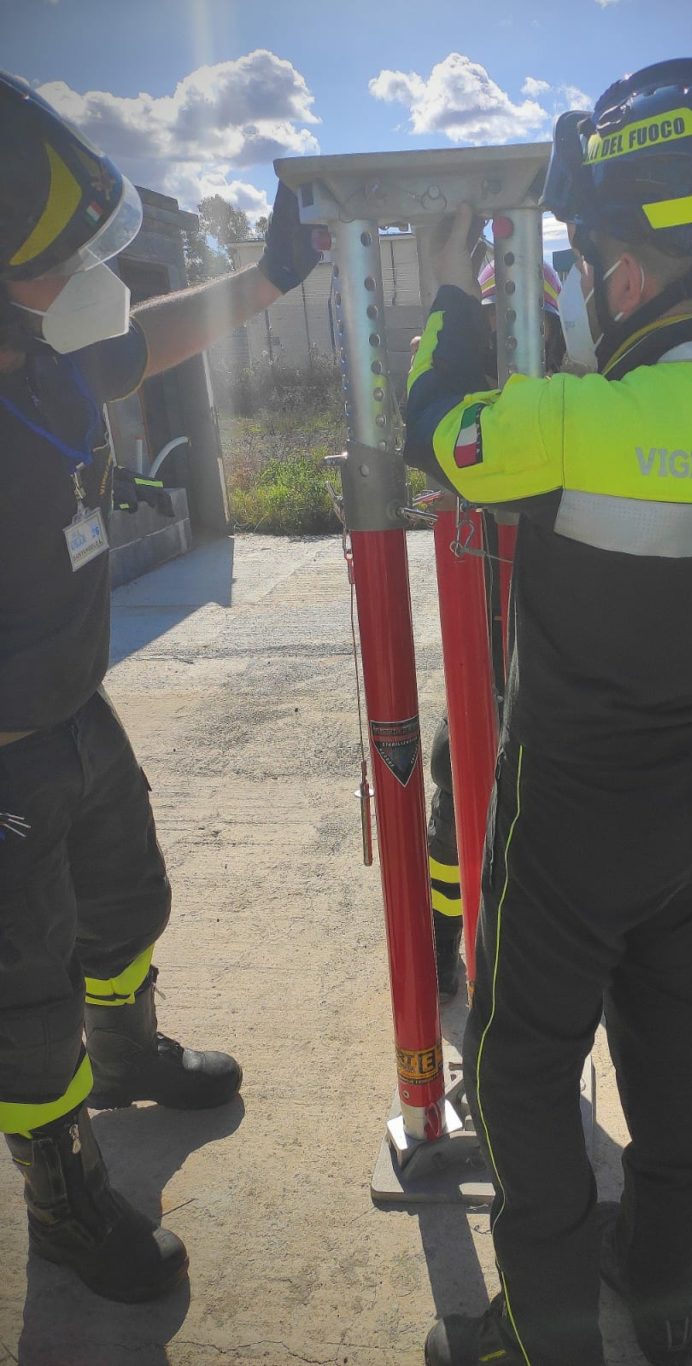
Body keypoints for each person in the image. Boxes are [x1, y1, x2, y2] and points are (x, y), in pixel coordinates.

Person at [405, 58, 692, 1366]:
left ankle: (547, 1339)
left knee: (522, 1068)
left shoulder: (571, 425)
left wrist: (446, 298)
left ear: (629, 275)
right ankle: (654, 1288)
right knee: (661, 1037)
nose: (589, 286)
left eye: (591, 262)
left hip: (571, 815)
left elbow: (435, 429)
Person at [0, 71, 322, 1302]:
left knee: (125, 899)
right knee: (21, 999)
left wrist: (274, 277)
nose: (80, 280)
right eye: (51, 261)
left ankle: (125, 1052)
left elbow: (155, 337)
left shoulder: (41, 370)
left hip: (77, 710)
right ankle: (65, 1198)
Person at [427, 260, 562, 1003]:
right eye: (493, 324)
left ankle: (525, 956)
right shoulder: (458, 423)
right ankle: (445, 937)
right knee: (457, 773)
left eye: (524, 327)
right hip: (480, 648)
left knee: (543, 808)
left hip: (549, 653)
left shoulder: (574, 409)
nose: (509, 343)